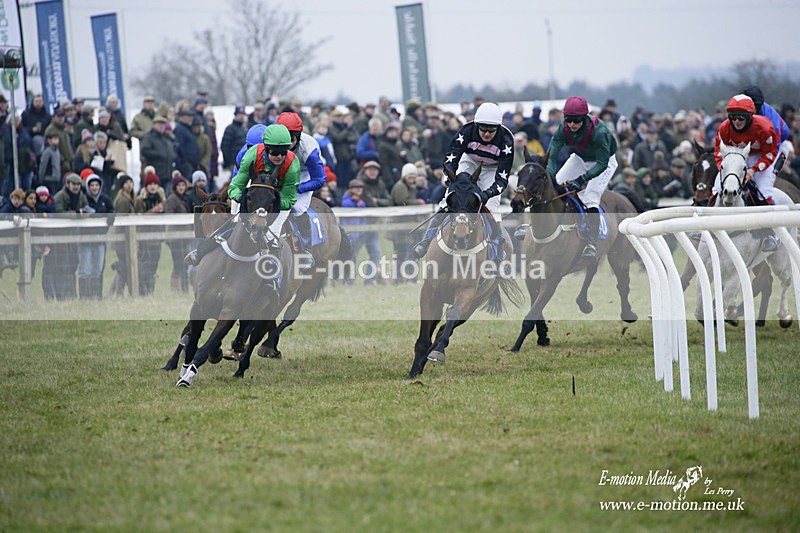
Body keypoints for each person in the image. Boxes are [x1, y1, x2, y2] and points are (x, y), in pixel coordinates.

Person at [185, 124, 300, 266]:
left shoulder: (292, 164)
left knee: (271, 235)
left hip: (276, 197)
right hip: (254, 192)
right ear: (265, 147)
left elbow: (289, 200)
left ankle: (275, 275)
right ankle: (201, 252)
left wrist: (269, 203)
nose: (280, 157)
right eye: (275, 152)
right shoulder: (250, 155)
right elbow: (235, 187)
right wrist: (246, 200)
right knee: (232, 223)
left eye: (284, 152)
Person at [413, 102, 514, 259]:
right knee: (447, 201)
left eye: (492, 130)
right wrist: (453, 181)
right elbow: (450, 160)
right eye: (483, 129)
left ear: (498, 129)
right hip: (469, 161)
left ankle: (498, 258)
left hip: (492, 169)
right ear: (476, 125)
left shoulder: (507, 140)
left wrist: (487, 194)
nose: (487, 134)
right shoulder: (466, 131)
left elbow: (502, 180)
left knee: (492, 210)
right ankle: (425, 242)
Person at [545, 95, 618, 259]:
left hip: (604, 162)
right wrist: (549, 174)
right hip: (579, 158)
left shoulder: (600, 132)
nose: (572, 125)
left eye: (576, 121)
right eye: (568, 120)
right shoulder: (563, 128)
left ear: (584, 118)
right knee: (556, 184)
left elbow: (601, 164)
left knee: (591, 197)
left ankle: (592, 242)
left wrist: (581, 180)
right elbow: (552, 155)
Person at [712, 94, 780, 251]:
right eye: (733, 117)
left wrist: (753, 170)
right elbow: (718, 151)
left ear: (750, 116)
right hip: (734, 156)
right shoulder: (724, 128)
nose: (737, 121)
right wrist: (724, 167)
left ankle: (770, 234)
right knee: (716, 188)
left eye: (741, 118)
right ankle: (703, 227)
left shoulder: (764, 128)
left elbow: (769, 154)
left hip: (760, 156)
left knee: (763, 190)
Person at [276, 112, 327, 264]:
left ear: (298, 136)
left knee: (296, 208)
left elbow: (320, 179)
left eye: (291, 139)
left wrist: (296, 188)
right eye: (283, 138)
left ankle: (306, 250)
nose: (286, 143)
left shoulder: (309, 150)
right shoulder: (270, 141)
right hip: (281, 171)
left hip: (303, 173)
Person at [79, 174, 114, 299]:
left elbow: (111, 209)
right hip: (85, 239)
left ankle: (97, 295)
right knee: (85, 269)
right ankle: (84, 296)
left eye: (96, 185)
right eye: (92, 185)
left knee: (98, 269)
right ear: (88, 187)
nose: (94, 188)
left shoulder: (105, 199)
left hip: (100, 238)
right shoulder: (83, 199)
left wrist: (110, 217)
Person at [741, 85, 794, 165]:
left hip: (779, 142)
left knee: (766, 171)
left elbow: (774, 146)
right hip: (758, 141)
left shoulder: (770, 118)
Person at [134, 172, 166, 295]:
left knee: (154, 267)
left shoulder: (161, 199)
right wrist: (153, 211)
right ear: (146, 186)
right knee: (144, 267)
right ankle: (143, 292)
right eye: (150, 184)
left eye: (155, 184)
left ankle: (150, 292)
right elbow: (139, 218)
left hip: (157, 239)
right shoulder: (140, 200)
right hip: (144, 240)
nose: (153, 186)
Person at [164, 174, 193, 292]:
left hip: (185, 236)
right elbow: (169, 215)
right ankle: (176, 288)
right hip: (175, 237)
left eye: (183, 185)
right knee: (178, 263)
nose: (181, 187)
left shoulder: (185, 198)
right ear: (175, 187)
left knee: (185, 263)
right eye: (179, 185)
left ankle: (184, 288)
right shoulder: (172, 199)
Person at [139, 115, 176, 191]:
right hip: (156, 173)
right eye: (159, 124)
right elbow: (144, 150)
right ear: (154, 125)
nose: (161, 126)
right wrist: (158, 154)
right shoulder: (149, 137)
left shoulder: (166, 138)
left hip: (168, 173)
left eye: (163, 124)